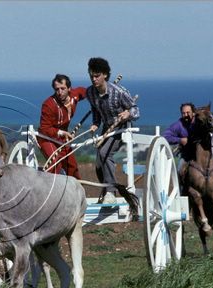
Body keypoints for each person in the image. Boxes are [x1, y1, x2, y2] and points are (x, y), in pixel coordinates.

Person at [86, 58, 140, 204]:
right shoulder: (90, 92)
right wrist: (95, 124)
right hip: (107, 127)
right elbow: (95, 110)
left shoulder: (119, 92)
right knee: (99, 159)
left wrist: (128, 114)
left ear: (105, 75)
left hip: (122, 128)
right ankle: (106, 189)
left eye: (97, 76)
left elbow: (135, 109)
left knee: (104, 153)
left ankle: (111, 192)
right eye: (91, 76)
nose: (93, 79)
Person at [38, 74, 87, 179]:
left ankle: (76, 190)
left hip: (62, 139)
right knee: (55, 163)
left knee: (72, 166)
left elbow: (86, 92)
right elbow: (44, 128)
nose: (60, 92)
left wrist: (97, 95)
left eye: (63, 88)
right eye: (57, 89)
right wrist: (61, 133)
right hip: (47, 138)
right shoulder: (48, 105)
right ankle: (50, 190)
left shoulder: (74, 95)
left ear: (69, 88)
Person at [162, 102, 197, 171]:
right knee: (180, 170)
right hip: (187, 156)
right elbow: (165, 136)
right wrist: (180, 140)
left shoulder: (200, 122)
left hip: (205, 155)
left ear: (193, 113)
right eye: (183, 113)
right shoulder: (178, 125)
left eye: (188, 112)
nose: (186, 115)